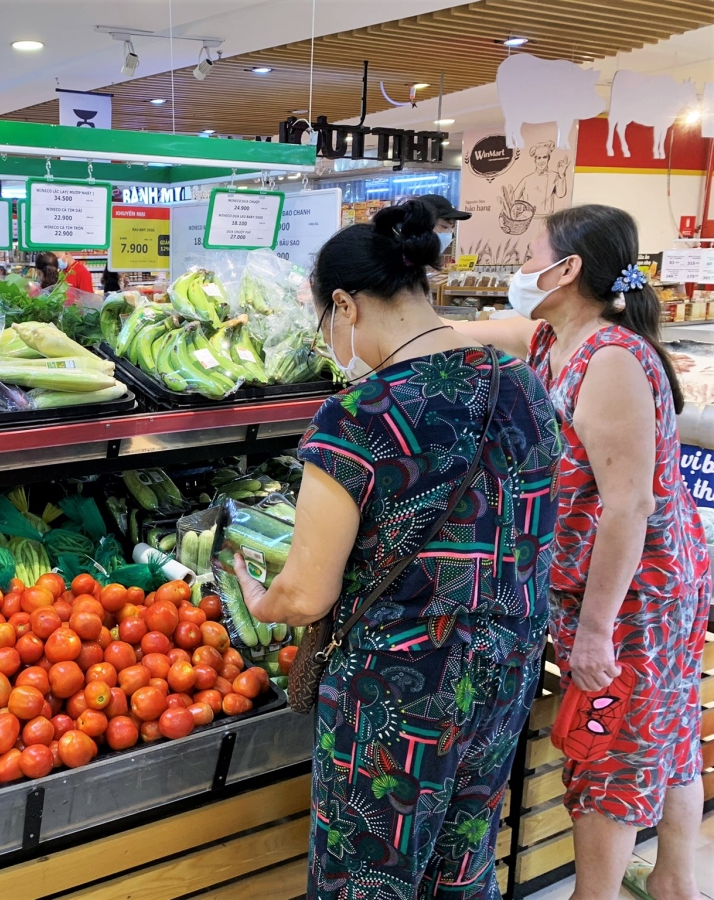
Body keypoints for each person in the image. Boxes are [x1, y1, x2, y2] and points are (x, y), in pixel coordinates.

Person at [234, 200, 562, 900]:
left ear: (346, 306)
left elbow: (309, 593)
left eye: (326, 321)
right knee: (462, 863)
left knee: (368, 874)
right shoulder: (524, 386)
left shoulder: (359, 416)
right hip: (505, 668)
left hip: (399, 689)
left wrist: (262, 597)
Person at [445, 204, 708, 900]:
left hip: (632, 593)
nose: (519, 266)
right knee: (669, 718)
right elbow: (471, 330)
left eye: (532, 252)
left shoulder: (613, 357)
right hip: (642, 579)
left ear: (566, 269)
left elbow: (630, 505)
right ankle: (678, 880)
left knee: (611, 753)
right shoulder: (553, 338)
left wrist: (594, 633)